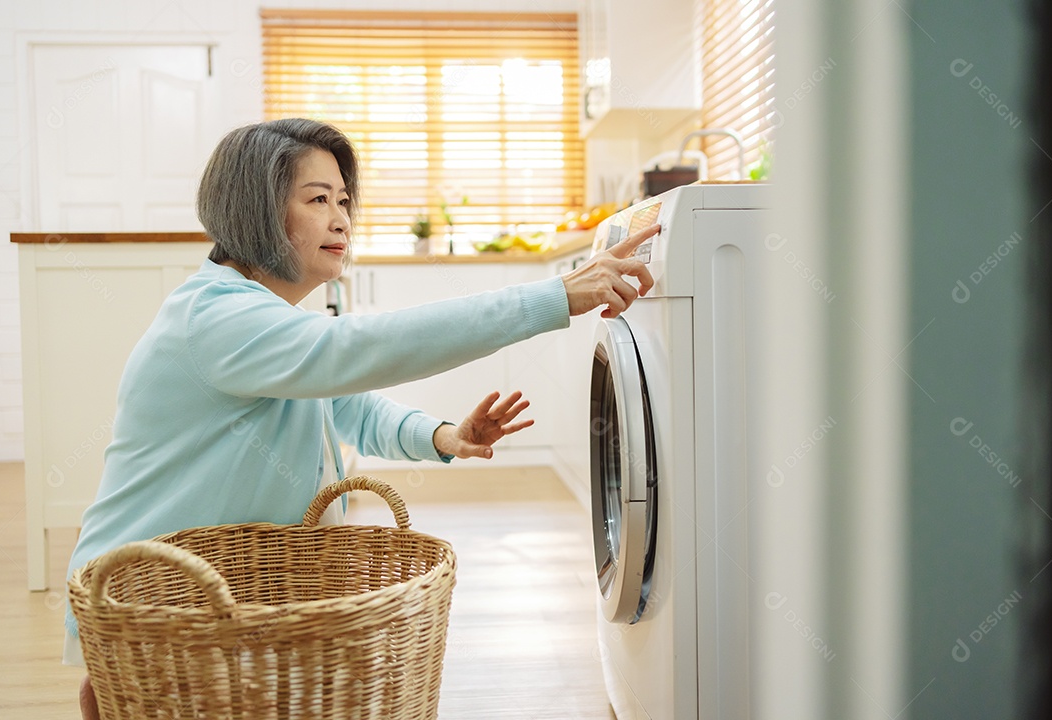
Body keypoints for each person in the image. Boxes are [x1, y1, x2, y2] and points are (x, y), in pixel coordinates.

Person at [64, 118, 658, 719]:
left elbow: (349, 404)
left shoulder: (266, 317)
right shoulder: (217, 318)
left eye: (344, 199)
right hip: (149, 589)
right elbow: (365, 349)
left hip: (230, 588)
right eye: (317, 199)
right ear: (255, 210)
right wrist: (554, 297)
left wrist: (445, 437)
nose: (341, 218)